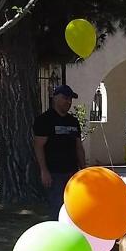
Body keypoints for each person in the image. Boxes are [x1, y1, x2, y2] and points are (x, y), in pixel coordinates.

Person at [33, 84, 86, 218]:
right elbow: (38, 146)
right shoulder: (44, 120)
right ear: (55, 98)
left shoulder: (73, 121)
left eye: (70, 99)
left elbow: (78, 146)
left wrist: (83, 169)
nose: (68, 102)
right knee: (56, 208)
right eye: (65, 98)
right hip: (54, 173)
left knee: (73, 207)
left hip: (72, 172)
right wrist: (44, 171)